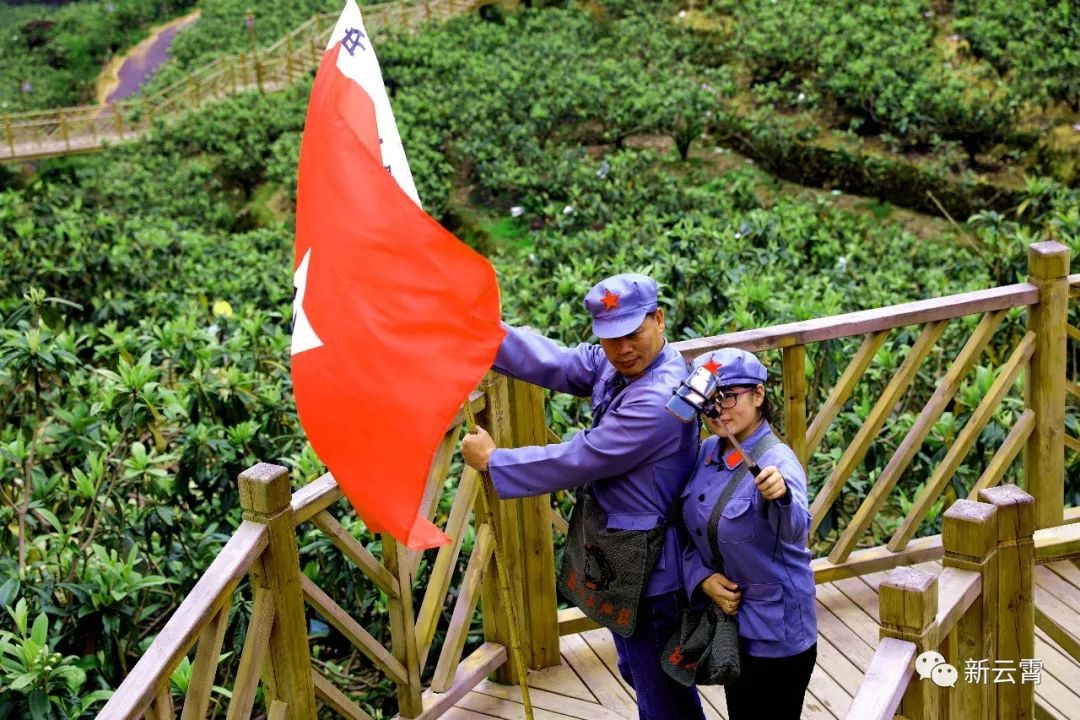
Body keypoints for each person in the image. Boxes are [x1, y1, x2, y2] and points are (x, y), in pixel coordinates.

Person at [460, 273, 705, 720]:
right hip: (626, 557)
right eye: (611, 338)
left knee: (662, 692)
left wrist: (495, 462)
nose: (623, 348)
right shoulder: (627, 365)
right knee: (640, 670)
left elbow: (582, 457)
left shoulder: (659, 398)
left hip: (654, 569)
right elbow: (563, 363)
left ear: (660, 319)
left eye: (633, 333)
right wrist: (478, 333)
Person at [679, 348, 817, 719]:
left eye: (728, 396)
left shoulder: (778, 462)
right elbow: (689, 531)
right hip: (729, 625)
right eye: (708, 401)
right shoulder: (707, 451)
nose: (718, 409)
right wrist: (702, 579)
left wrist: (782, 496)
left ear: (759, 395)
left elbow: (796, 531)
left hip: (778, 632)